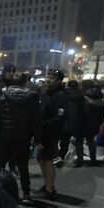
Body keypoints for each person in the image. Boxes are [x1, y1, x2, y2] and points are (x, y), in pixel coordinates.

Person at [0, 72, 42, 203]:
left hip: (4, 137)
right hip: (23, 137)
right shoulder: (32, 99)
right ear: (25, 83)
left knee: (0, 166)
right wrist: (38, 139)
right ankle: (26, 194)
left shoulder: (3, 98)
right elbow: (36, 121)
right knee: (23, 167)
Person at [37, 69, 67, 199]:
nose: (48, 79)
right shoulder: (43, 92)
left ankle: (49, 190)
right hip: (41, 132)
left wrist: (44, 123)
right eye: (47, 77)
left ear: (59, 81)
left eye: (52, 78)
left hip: (51, 132)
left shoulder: (61, 95)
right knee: (41, 159)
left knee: (48, 160)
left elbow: (60, 117)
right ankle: (47, 185)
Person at [79, 80, 104, 166]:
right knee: (90, 140)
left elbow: (80, 110)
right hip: (95, 122)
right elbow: (103, 112)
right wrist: (99, 122)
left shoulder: (83, 96)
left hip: (83, 121)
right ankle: (93, 160)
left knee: (78, 140)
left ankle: (80, 160)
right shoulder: (101, 97)